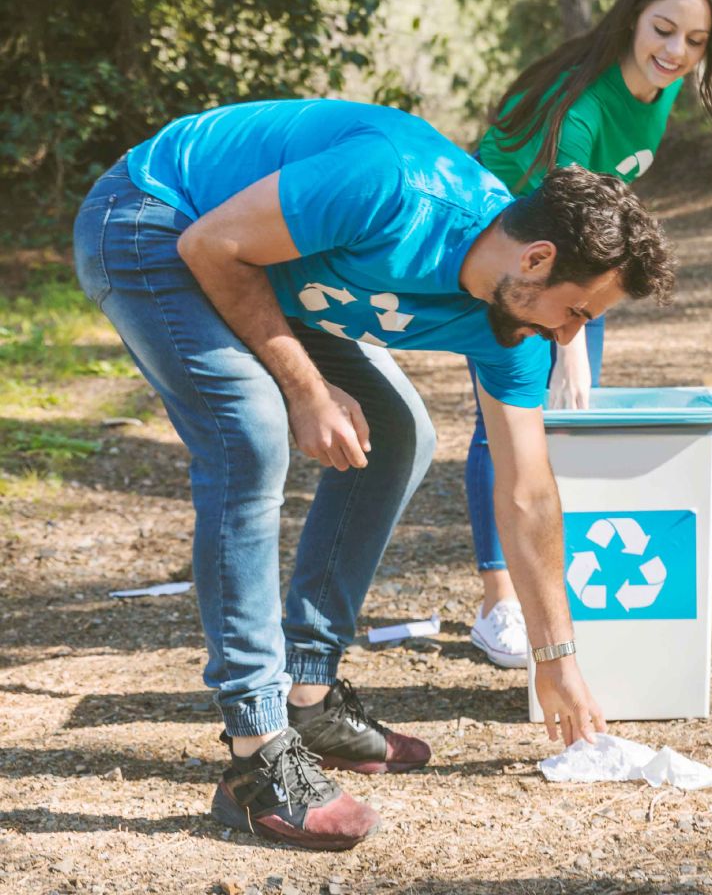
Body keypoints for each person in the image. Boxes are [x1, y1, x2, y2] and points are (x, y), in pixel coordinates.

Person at [72, 99, 675, 851]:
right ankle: (256, 756)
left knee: (399, 436)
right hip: (154, 220)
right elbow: (214, 243)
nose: (573, 333)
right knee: (251, 439)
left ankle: (307, 691)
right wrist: (306, 389)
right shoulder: (392, 186)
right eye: (579, 311)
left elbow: (527, 492)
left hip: (260, 270)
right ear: (536, 259)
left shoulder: (517, 326)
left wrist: (557, 659)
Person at [463, 0, 712, 668]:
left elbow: (600, 206)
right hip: (506, 250)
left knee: (568, 414)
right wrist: (564, 332)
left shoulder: (661, 88)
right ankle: (497, 603)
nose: (676, 53)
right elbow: (545, 225)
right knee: (508, 416)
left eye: (695, 42)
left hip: (573, 253)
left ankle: (556, 582)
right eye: (663, 30)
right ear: (634, 13)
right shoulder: (581, 108)